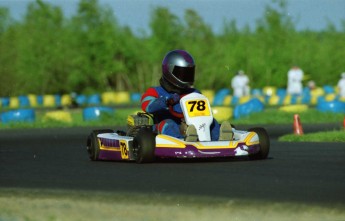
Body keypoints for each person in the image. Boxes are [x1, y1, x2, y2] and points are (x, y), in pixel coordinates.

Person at [141, 49, 232, 141]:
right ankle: (183, 140)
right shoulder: (155, 91)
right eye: (181, 73)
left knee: (212, 122)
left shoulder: (194, 93)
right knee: (168, 124)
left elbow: (205, 111)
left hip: (193, 126)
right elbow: (146, 105)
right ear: (169, 71)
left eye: (188, 73)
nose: (185, 76)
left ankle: (221, 139)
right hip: (164, 125)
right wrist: (166, 101)